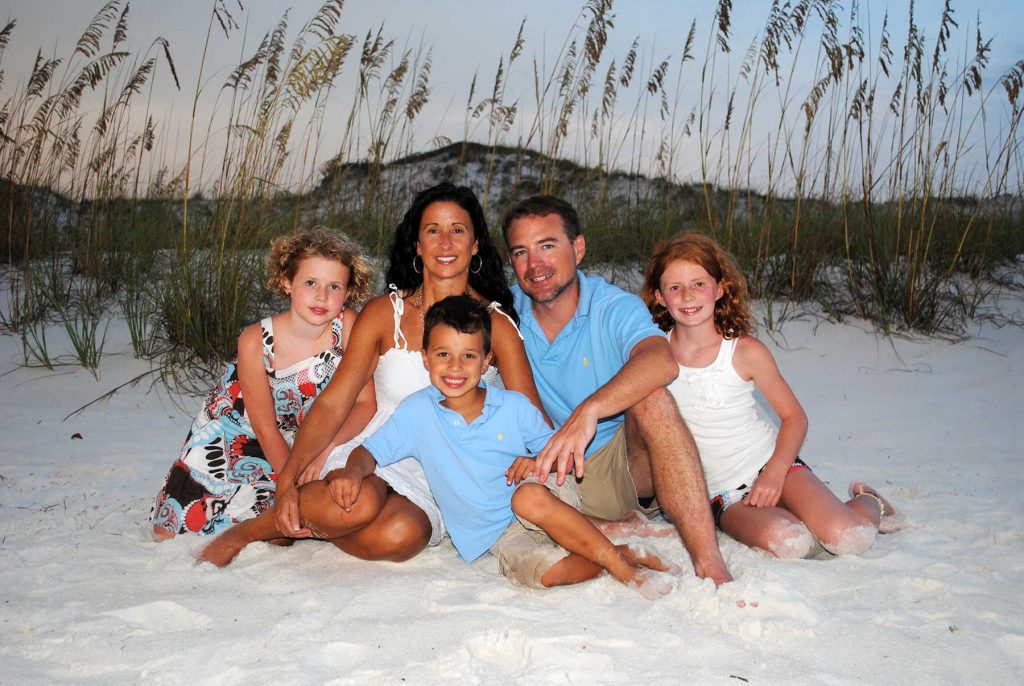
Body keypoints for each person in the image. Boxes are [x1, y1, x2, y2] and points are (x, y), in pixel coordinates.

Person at [198, 183, 544, 567]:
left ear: (475, 244)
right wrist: (289, 477)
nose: (445, 243)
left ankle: (320, 523)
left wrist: (535, 462)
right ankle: (254, 528)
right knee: (360, 501)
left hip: (443, 462)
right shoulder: (384, 313)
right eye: (433, 231)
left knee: (402, 536)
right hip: (371, 444)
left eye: (457, 231)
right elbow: (335, 401)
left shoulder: (497, 325)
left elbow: (528, 413)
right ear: (417, 245)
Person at [331, 295, 675, 597]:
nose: (455, 367)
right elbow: (370, 451)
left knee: (526, 497)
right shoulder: (416, 412)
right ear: (425, 358)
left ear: (486, 361)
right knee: (547, 574)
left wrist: (536, 459)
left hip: (541, 494)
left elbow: (557, 455)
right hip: (494, 534)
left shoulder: (513, 406)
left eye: (468, 356)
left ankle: (622, 569)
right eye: (443, 354)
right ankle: (624, 553)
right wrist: (351, 471)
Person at [501, 196, 732, 585]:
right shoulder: (506, 310)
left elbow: (661, 360)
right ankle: (618, 529)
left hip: (621, 465)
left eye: (547, 246)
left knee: (653, 396)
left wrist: (588, 411)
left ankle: (710, 562)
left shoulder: (611, 305)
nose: (534, 264)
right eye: (521, 252)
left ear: (578, 248)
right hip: (548, 472)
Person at [640, 232, 903, 558]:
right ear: (660, 297)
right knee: (792, 544)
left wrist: (774, 475)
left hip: (771, 465)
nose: (688, 296)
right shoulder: (652, 355)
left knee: (849, 539)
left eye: (698, 284)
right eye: (675, 287)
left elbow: (795, 418)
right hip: (723, 493)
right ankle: (804, 513)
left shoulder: (745, 351)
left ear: (719, 289)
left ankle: (869, 500)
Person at [151, 228, 375, 538]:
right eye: (310, 283)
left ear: (348, 292)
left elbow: (366, 403)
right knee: (172, 529)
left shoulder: (348, 326)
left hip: (310, 436)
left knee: (289, 524)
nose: (321, 296)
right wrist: (290, 483)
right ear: (287, 282)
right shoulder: (254, 339)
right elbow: (265, 427)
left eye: (334, 286)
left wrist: (325, 451)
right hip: (241, 429)